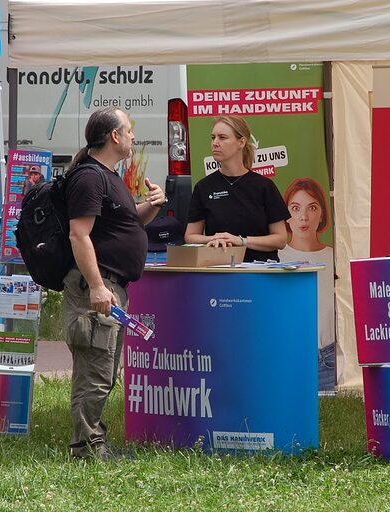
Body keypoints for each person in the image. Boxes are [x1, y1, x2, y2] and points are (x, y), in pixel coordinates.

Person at [64, 106, 166, 460]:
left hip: (111, 288)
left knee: (105, 372)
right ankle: (87, 450)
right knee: (95, 372)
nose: (134, 136)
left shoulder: (110, 177)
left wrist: (151, 206)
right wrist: (96, 286)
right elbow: (80, 234)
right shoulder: (90, 177)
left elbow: (125, 224)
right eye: (129, 130)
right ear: (115, 137)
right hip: (98, 287)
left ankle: (92, 444)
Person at [184, 116, 290, 262]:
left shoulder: (264, 186)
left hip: (260, 272)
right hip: (219, 269)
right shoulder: (204, 187)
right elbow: (190, 236)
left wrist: (241, 241)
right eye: (213, 137)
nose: (215, 143)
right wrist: (213, 239)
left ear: (241, 142)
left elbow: (280, 239)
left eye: (222, 137)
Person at [278, 178, 336, 391]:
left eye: (312, 207)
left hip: (329, 356)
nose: (303, 217)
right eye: (295, 208)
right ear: (286, 216)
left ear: (322, 214)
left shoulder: (334, 256)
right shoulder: (276, 257)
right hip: (288, 354)